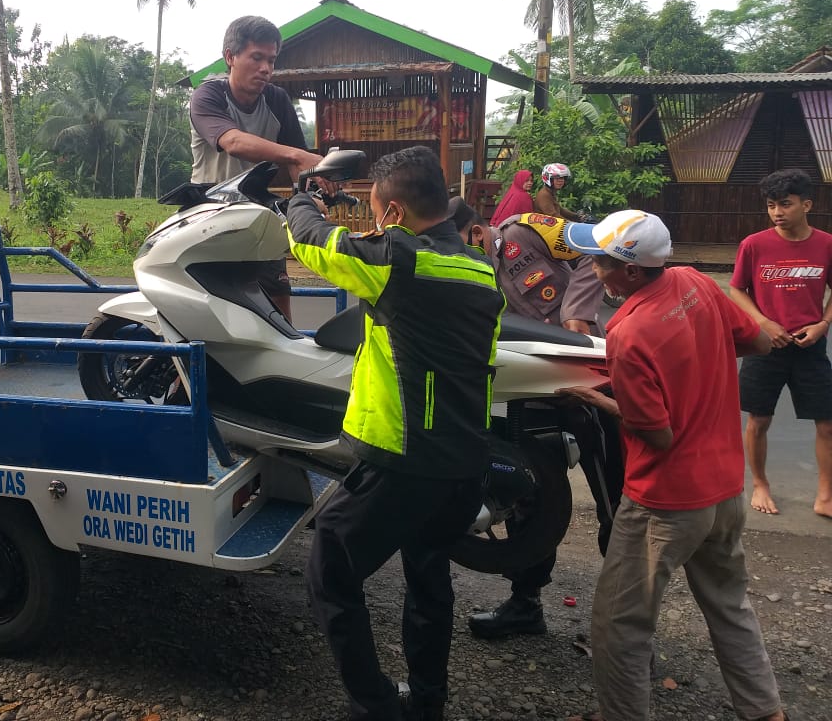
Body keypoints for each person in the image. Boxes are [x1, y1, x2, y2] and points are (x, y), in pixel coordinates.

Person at [287, 145, 505, 721]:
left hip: (405, 462)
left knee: (329, 570)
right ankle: (427, 703)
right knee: (428, 575)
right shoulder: (480, 268)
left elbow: (313, 240)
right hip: (463, 461)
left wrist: (305, 195)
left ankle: (376, 706)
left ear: (393, 214)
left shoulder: (397, 261)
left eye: (377, 210)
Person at [559, 209, 786, 721]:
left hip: (665, 502)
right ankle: (766, 711)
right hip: (725, 488)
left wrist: (597, 400)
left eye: (599, 262)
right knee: (730, 606)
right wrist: (700, 360)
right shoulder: (693, 281)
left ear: (631, 272)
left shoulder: (628, 333)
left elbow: (658, 434)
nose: (592, 270)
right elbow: (759, 341)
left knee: (620, 622)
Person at [467, 210, 624, 639]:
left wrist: (577, 312)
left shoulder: (526, 229)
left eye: (466, 242)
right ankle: (525, 604)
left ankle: (625, 624)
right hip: (534, 387)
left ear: (478, 231)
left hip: (589, 375)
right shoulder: (477, 267)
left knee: (616, 499)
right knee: (532, 493)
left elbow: (598, 243)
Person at [190, 15, 323, 318]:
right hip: (208, 212)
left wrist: (312, 193)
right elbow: (233, 142)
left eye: (272, 60)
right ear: (230, 57)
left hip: (258, 214)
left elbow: (298, 166)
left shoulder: (276, 99)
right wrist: (295, 156)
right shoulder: (208, 95)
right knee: (210, 310)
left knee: (279, 307)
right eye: (257, 58)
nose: (266, 68)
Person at [728, 168, 832, 517]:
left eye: (785, 205)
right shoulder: (754, 245)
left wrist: (823, 324)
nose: (777, 213)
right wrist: (763, 322)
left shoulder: (826, 244)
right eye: (772, 205)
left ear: (807, 205)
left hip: (810, 346)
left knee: (827, 422)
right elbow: (736, 289)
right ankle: (760, 484)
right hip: (765, 346)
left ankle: (825, 494)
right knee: (759, 420)